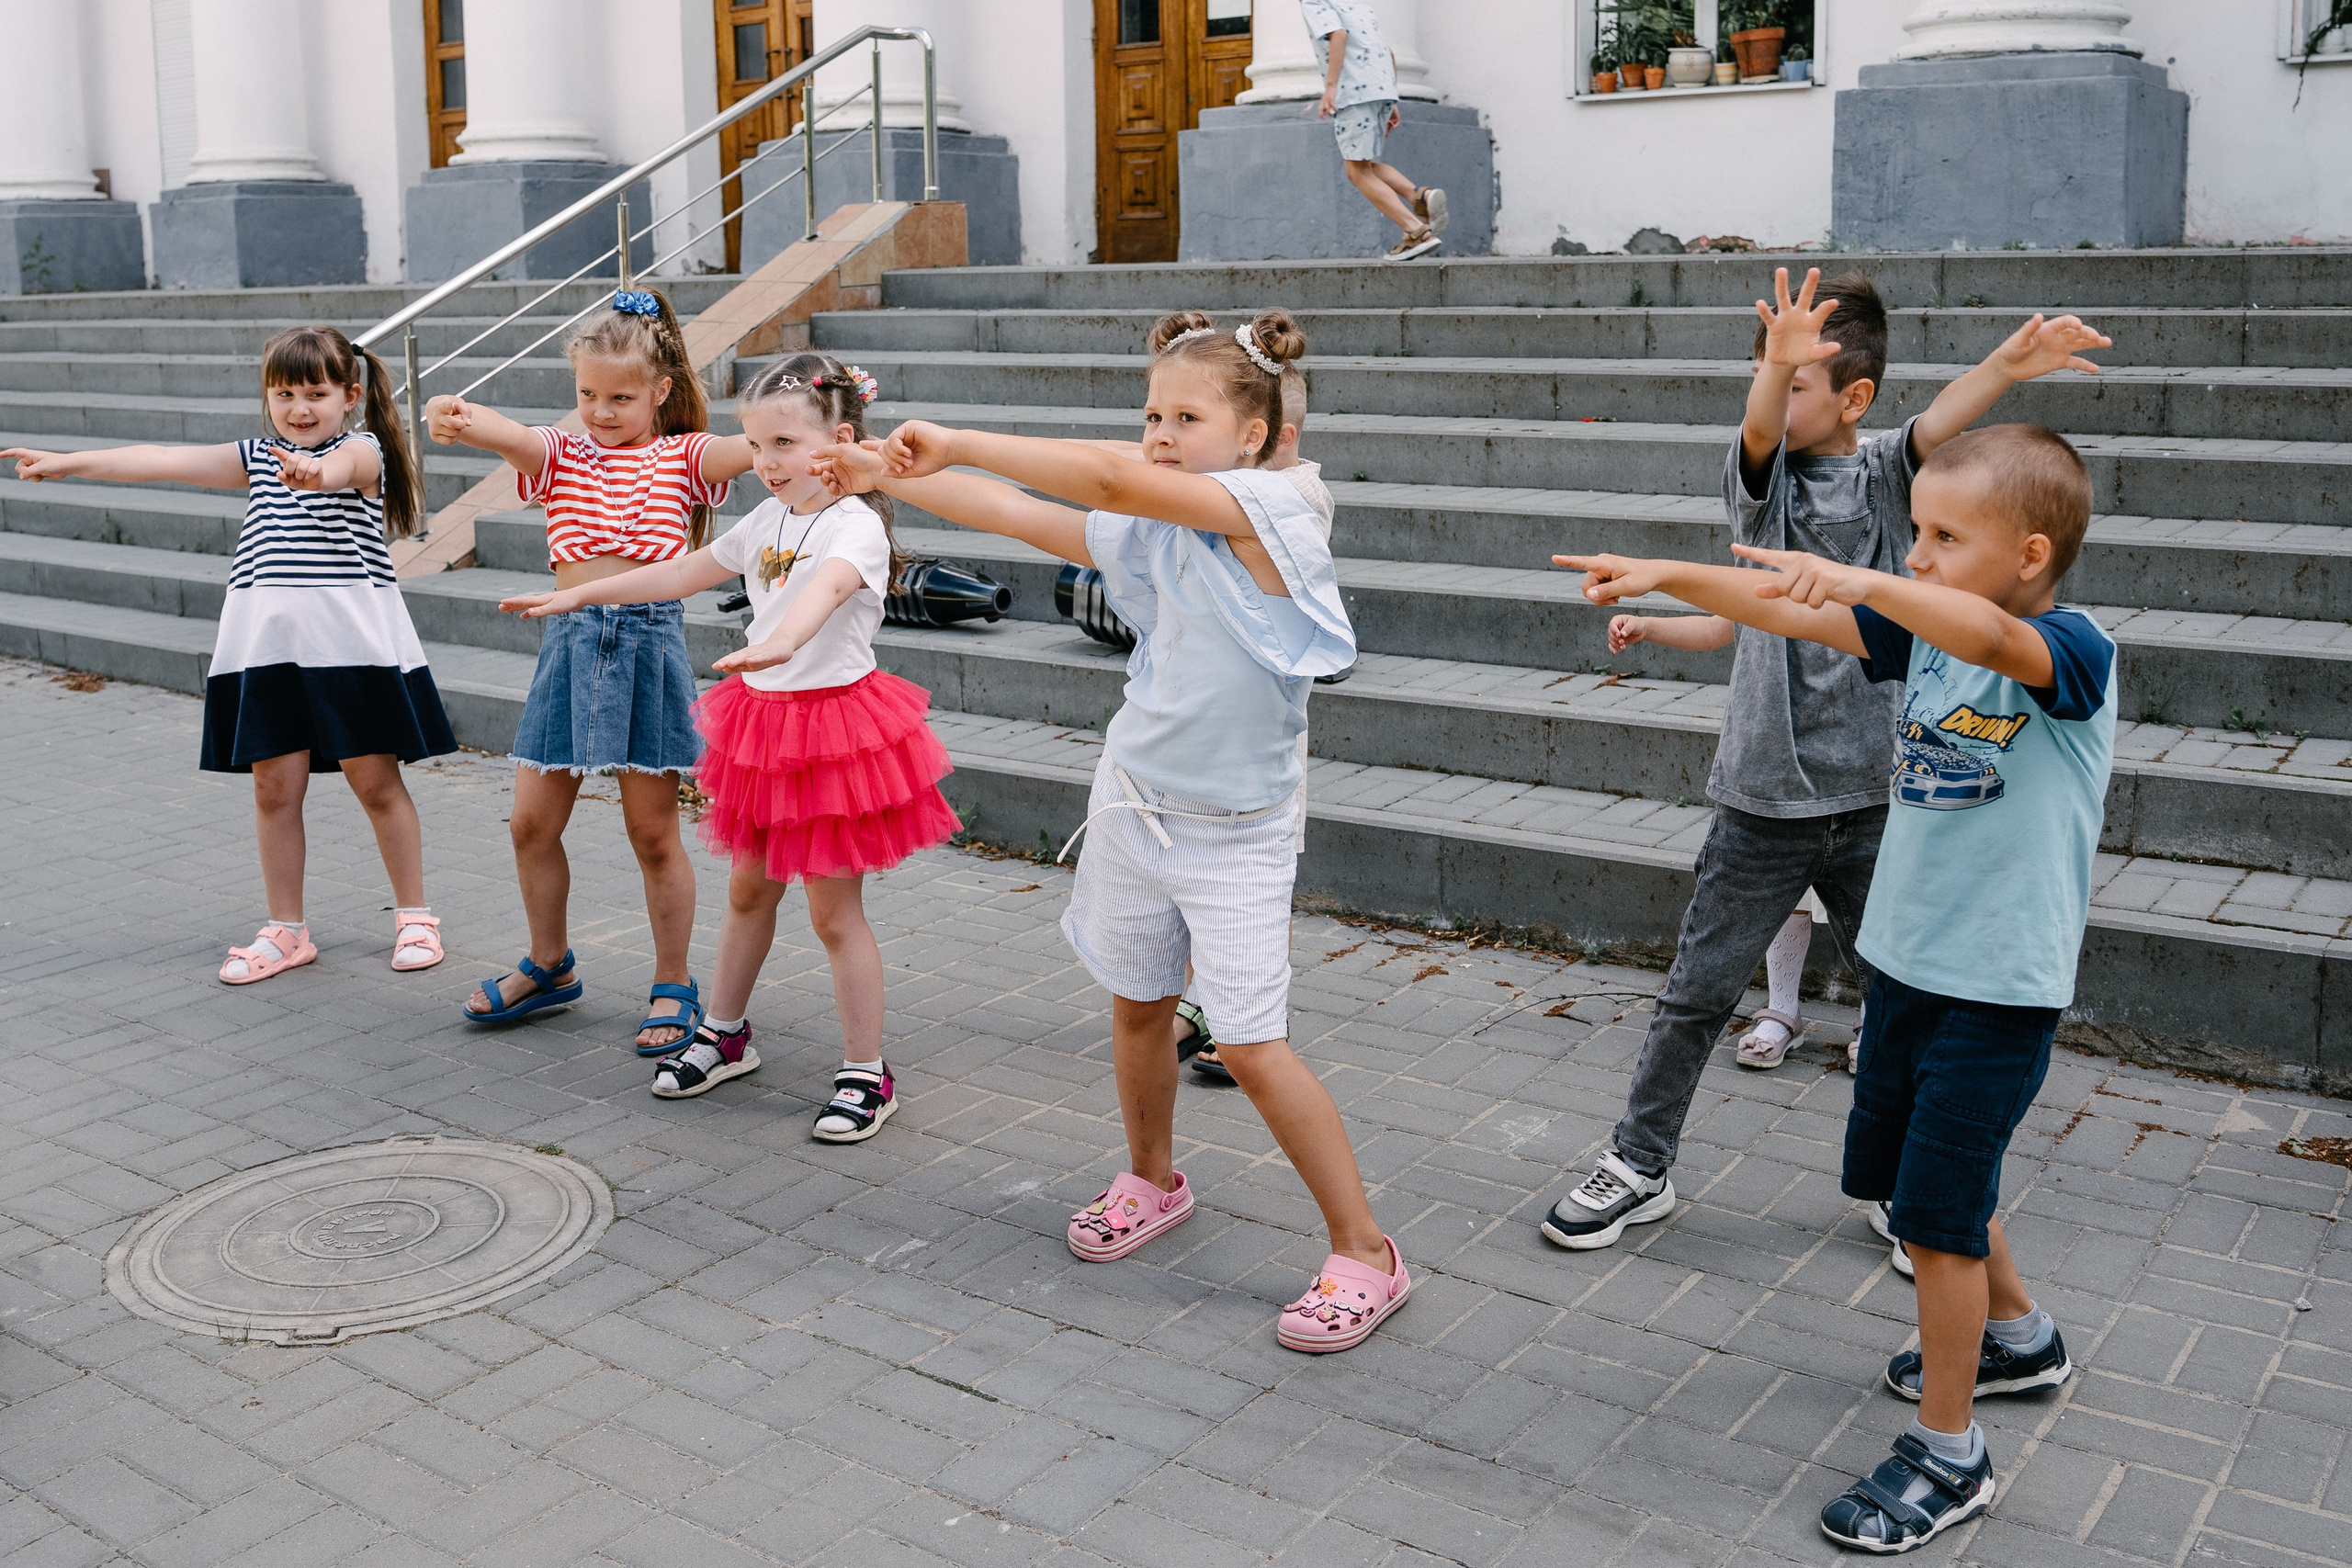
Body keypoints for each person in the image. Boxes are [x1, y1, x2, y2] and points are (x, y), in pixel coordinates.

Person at [1559, 419, 2111, 1552]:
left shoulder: (2071, 650)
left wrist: (1868, 579)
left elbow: (1979, 631)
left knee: (1939, 1219)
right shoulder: (1923, 634)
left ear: (2030, 557)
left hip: (1996, 992)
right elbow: (1786, 612)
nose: (1916, 557)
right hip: (1906, 971)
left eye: (1945, 538)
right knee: (1925, 1183)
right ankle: (2021, 1339)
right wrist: (1670, 571)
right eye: (1915, 534)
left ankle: (1950, 1456)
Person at [816, 310, 1412, 1355]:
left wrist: (958, 438)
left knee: (1253, 1046)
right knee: (1137, 1008)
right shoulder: (1157, 523)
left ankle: (1365, 1251)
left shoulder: (1275, 506)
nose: (1162, 432)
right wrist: (885, 472)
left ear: (1261, 433)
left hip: (1235, 832)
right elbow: (1012, 512)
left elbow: (1103, 479)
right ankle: (1151, 1179)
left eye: (1189, 415)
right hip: (1135, 803)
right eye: (1152, 414)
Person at [1539, 269, 2110, 1254]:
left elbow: (1940, 426)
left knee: (1897, 996)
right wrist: (1775, 365)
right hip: (1761, 796)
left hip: (1883, 792)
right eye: (1772, 379)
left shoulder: (1896, 477)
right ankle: (1640, 1161)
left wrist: (2009, 364)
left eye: (1803, 381)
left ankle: (1910, 1191)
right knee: (1694, 993)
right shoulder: (1763, 489)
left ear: (1854, 397)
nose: (1775, 394)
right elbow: (1767, 478)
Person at [500, 355, 957, 1139]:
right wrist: (580, 590)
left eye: (783, 443)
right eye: (755, 445)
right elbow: (677, 572)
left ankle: (865, 1071)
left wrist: (779, 644)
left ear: (839, 440)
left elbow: (826, 590)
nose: (767, 463)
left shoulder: (854, 524)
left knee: (832, 910)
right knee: (749, 890)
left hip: (833, 736)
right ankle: (725, 1031)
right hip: (765, 729)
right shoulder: (765, 521)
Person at [4, 326, 453, 985]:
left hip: (349, 650)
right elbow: (162, 459)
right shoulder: (257, 455)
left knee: (375, 782)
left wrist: (313, 470)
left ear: (350, 395)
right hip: (266, 650)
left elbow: (339, 472)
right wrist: (71, 461)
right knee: (274, 788)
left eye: (316, 393)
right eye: (284, 393)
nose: (300, 408)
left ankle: (415, 915)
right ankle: (286, 930)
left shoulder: (362, 451)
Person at [428, 288, 754, 1054]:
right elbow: (509, 434)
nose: (600, 412)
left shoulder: (685, 456)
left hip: (646, 645)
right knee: (530, 822)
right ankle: (550, 964)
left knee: (651, 832)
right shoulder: (564, 452)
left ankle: (673, 980)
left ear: (660, 391)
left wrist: (812, 427)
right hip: (568, 646)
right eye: (586, 395)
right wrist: (458, 413)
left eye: (620, 397)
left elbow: (756, 446)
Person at [1610, 607, 1842, 1072]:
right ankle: (1783, 1008)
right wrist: (1649, 626)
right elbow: (1722, 624)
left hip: (1862, 758)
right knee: (1786, 889)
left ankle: (1871, 1017)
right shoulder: (1769, 555)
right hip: (1779, 756)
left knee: (1866, 898)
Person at [1302, 0, 1446, 262]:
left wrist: (1331, 87)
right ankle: (1420, 196)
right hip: (1381, 90)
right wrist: (1392, 98)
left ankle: (1416, 230)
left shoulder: (1315, 2)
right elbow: (1386, 51)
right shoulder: (1357, 5)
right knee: (1364, 166)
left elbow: (1339, 34)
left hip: (1355, 94)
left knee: (1357, 173)